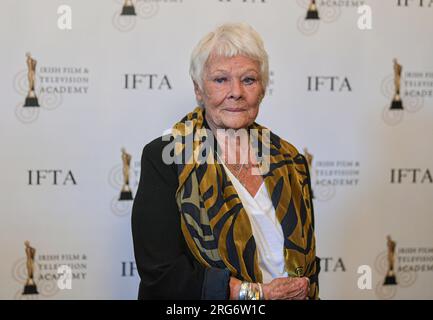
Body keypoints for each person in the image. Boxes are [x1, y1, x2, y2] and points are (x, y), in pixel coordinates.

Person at [132, 22, 320, 300]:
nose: (236, 92)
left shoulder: (291, 160)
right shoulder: (166, 157)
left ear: (263, 89)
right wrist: (255, 294)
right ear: (198, 89)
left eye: (248, 80)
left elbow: (307, 266)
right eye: (221, 80)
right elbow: (161, 272)